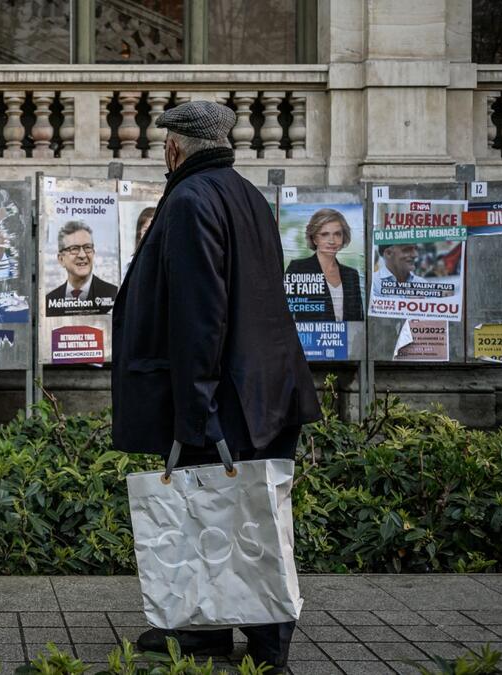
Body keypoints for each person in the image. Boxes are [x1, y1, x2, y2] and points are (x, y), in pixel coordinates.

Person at [111, 101, 319, 673]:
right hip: (268, 388)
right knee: (244, 513)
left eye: (164, 146)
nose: (163, 155)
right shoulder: (247, 195)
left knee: (236, 512)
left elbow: (201, 313)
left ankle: (265, 643)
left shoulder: (188, 200)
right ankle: (208, 632)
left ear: (176, 147)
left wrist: (195, 407)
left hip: (227, 395)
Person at [284, 208, 363, 321]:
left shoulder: (351, 274)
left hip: (347, 337)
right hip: (309, 337)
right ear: (315, 239)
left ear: (343, 238)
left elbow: (358, 318)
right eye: (325, 234)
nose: (331, 241)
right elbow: (284, 314)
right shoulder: (297, 269)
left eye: (337, 234)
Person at [44, 220, 117, 316]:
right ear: (61, 259)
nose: (82, 255)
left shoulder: (114, 295)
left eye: (87, 247)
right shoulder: (50, 301)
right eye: (74, 249)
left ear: (93, 253)